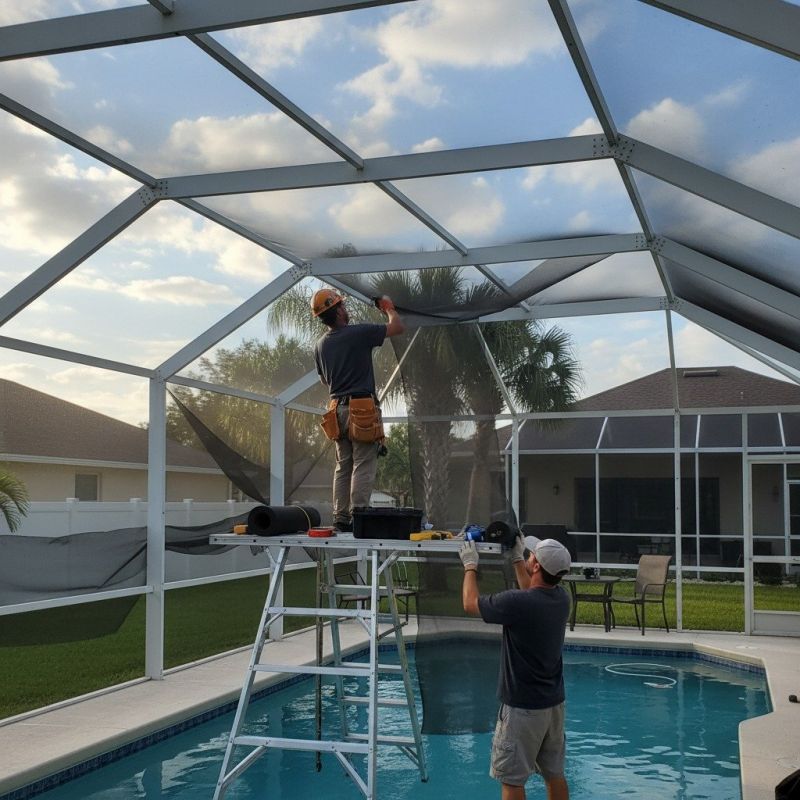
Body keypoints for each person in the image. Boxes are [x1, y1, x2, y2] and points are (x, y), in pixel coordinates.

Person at [459, 534, 572, 800]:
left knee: (511, 781)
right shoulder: (560, 599)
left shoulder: (517, 604)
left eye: (531, 556)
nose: (529, 557)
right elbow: (530, 590)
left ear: (536, 566)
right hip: (553, 706)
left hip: (523, 709)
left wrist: (470, 566)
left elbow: (469, 603)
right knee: (554, 774)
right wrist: (516, 559)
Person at [312, 288, 405, 532]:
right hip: (361, 408)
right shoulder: (357, 333)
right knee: (363, 462)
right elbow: (396, 327)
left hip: (336, 410)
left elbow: (325, 381)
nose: (345, 309)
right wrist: (389, 308)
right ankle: (359, 514)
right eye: (342, 306)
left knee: (343, 465)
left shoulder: (320, 345)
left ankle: (340, 517)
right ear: (339, 311)